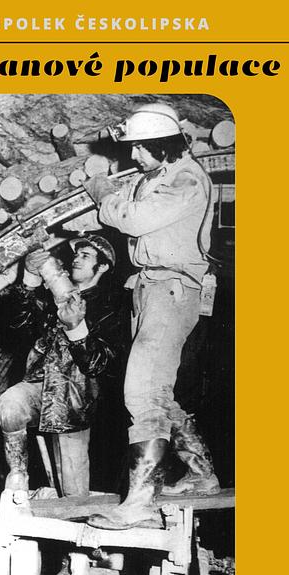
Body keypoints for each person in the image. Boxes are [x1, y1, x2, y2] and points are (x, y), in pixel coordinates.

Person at [84, 102, 220, 530]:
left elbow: (134, 219)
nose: (134, 156)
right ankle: (202, 474)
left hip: (172, 289)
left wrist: (102, 191)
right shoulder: (158, 175)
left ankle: (140, 500)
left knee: (142, 392)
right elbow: (123, 210)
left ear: (162, 145)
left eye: (140, 148)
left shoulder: (186, 179)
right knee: (158, 390)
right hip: (149, 287)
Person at [0, 235, 121, 496]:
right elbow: (16, 328)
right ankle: (17, 474)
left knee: (74, 494)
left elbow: (99, 365)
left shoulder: (111, 305)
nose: (76, 259)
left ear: (103, 266)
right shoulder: (52, 299)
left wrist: (76, 329)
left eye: (86, 255)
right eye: (76, 254)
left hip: (78, 402)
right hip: (40, 387)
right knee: (10, 404)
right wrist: (29, 278)